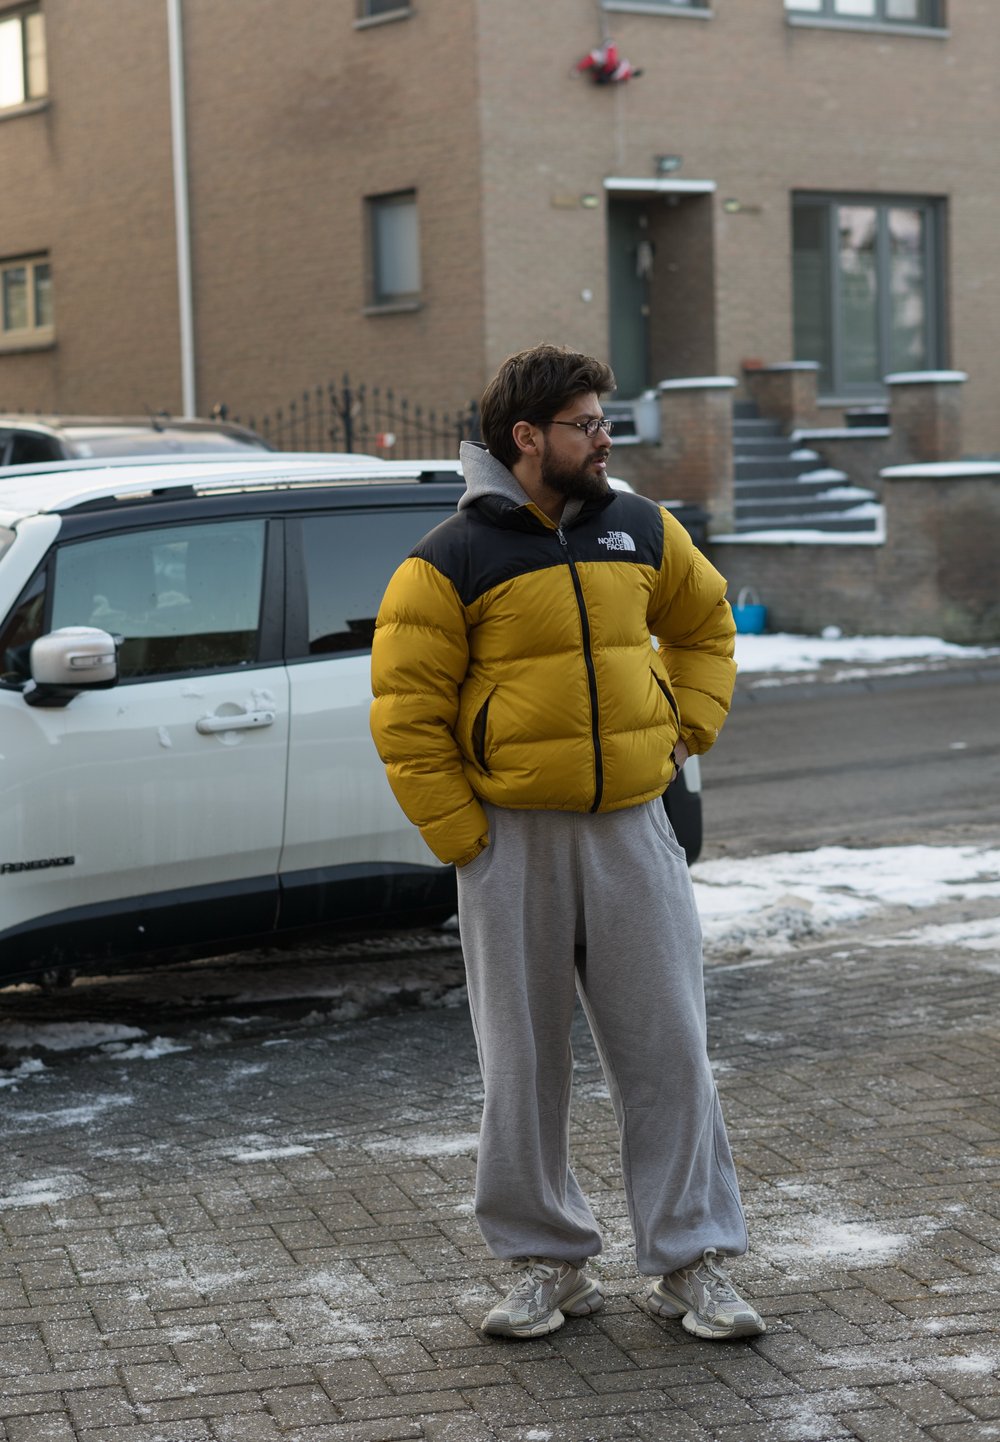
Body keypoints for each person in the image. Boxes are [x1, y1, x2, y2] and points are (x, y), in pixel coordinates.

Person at [370, 344, 763, 1343]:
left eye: (603, 419)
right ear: (526, 437)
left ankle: (693, 1262)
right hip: (515, 842)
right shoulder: (446, 558)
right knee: (523, 1061)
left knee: (670, 1050)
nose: (604, 437)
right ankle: (547, 1261)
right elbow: (405, 714)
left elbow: (706, 623)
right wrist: (469, 839)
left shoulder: (639, 526)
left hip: (634, 827)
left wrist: (688, 724)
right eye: (586, 422)